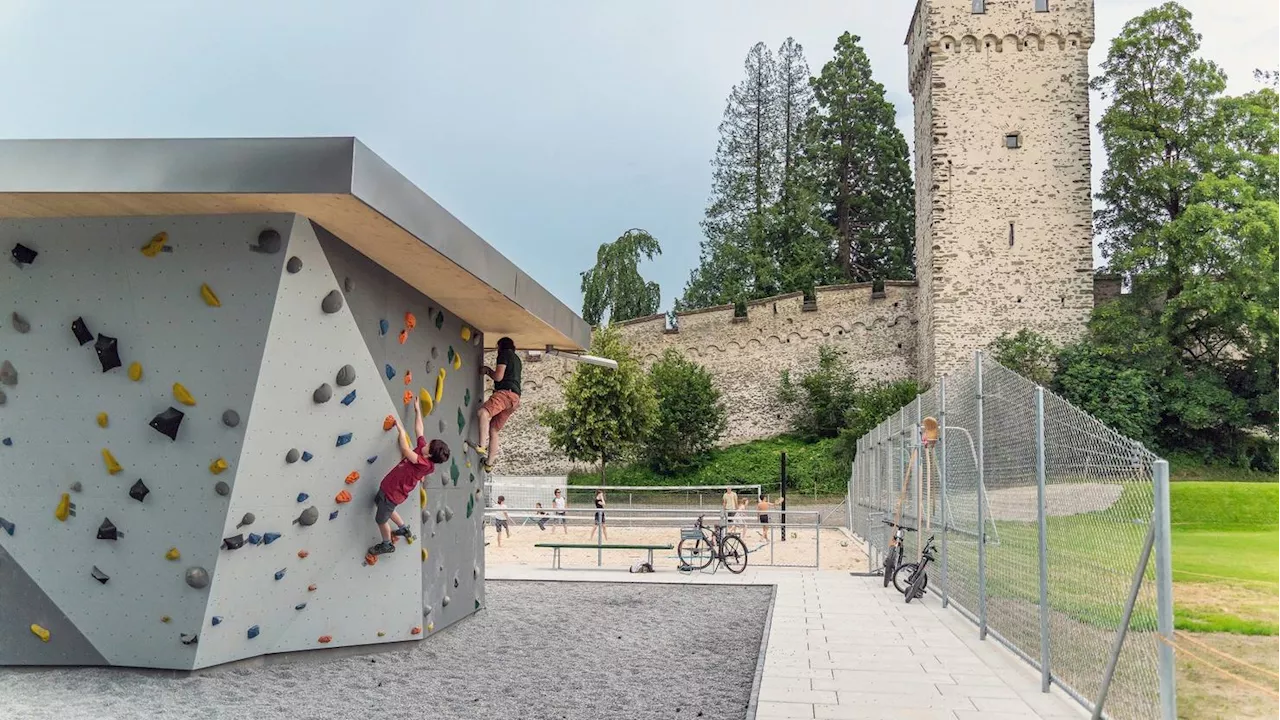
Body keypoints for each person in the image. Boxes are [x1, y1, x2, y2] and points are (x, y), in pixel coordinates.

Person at [369, 403, 450, 557]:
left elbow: (406, 450)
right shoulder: (423, 450)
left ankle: (387, 544)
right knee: (384, 507)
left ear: (429, 455)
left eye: (428, 446)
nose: (425, 444)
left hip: (393, 493)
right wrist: (418, 410)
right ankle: (404, 529)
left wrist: (401, 431)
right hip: (389, 486)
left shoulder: (424, 462)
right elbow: (419, 430)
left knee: (381, 519)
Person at [476, 337, 522, 473]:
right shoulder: (517, 359)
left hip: (505, 394)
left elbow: (498, 376)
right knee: (494, 429)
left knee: (483, 413)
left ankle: (482, 446)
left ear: (500, 346)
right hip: (515, 399)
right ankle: (489, 463)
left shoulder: (504, 354)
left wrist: (487, 370)